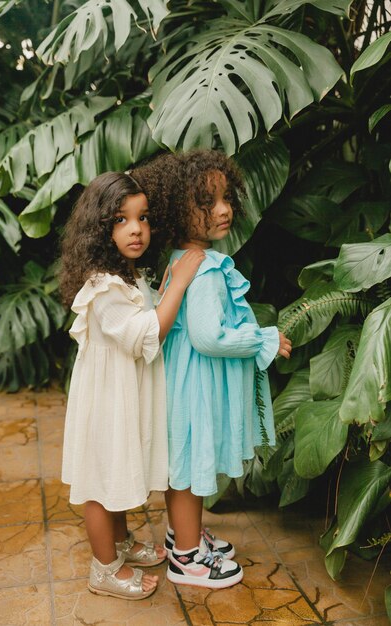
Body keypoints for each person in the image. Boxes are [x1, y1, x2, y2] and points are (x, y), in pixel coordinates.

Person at [133, 151, 292, 589]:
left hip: (187, 379)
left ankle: (181, 534)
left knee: (188, 464)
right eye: (208, 202)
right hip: (195, 385)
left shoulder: (186, 256)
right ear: (176, 211)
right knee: (189, 467)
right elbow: (209, 336)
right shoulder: (202, 270)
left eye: (226, 198)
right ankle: (185, 557)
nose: (224, 210)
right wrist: (263, 339)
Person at [59, 172, 204, 600]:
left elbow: (145, 310)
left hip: (123, 395)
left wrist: (162, 287)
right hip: (107, 401)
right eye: (121, 220)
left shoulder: (126, 275)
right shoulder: (102, 285)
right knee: (102, 484)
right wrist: (179, 282)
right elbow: (147, 334)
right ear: (100, 228)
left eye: (142, 218)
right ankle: (103, 569)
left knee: (119, 471)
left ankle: (120, 545)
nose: (136, 228)